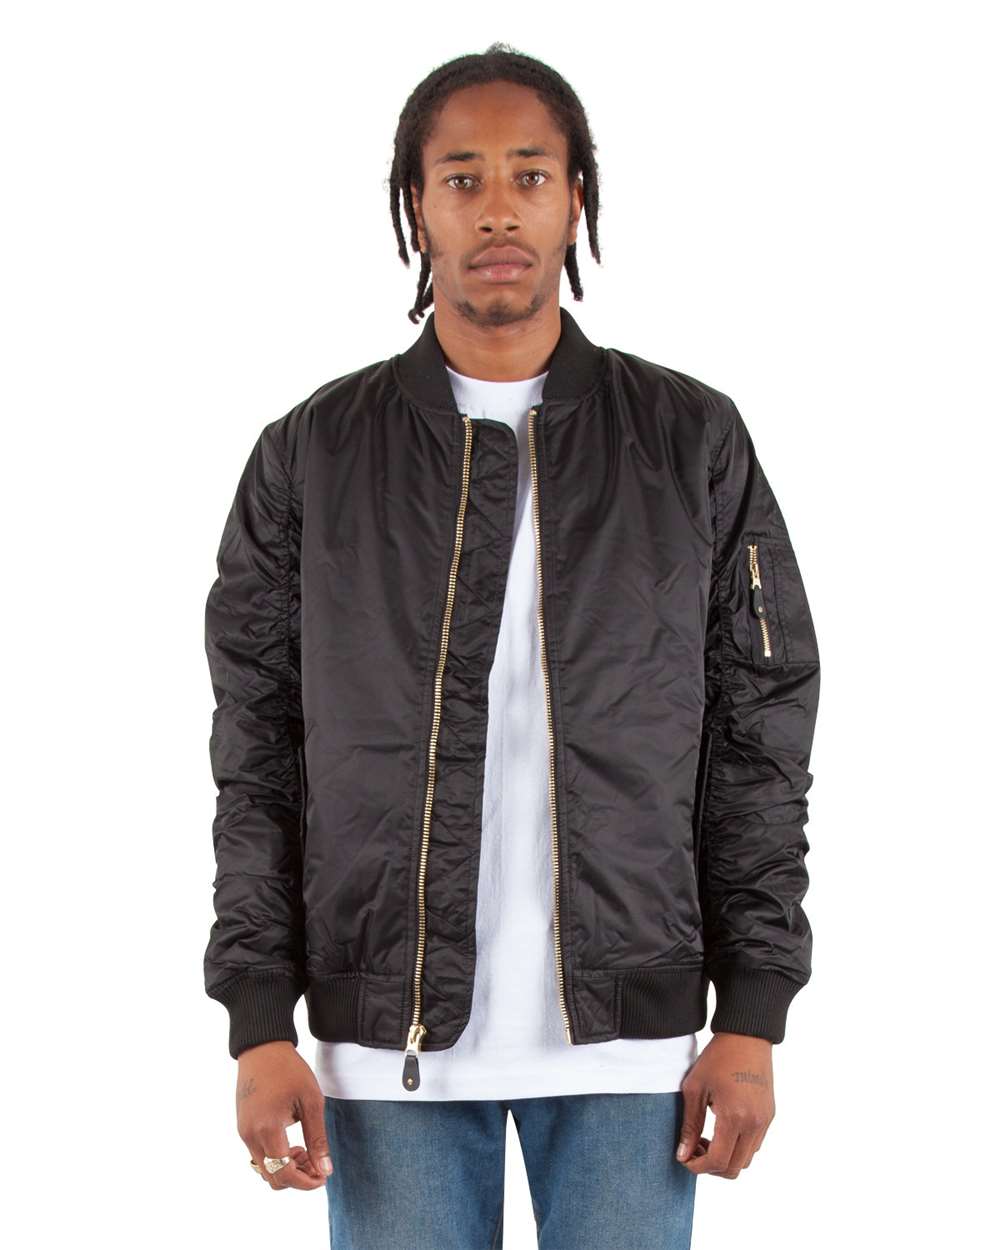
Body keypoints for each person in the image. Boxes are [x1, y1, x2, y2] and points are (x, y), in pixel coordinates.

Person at [202, 42, 822, 1250]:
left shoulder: (688, 439)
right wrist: (258, 1021)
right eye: (463, 177)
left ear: (575, 198)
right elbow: (257, 757)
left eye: (530, 175)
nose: (497, 209)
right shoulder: (314, 453)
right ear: (415, 204)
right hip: (386, 1049)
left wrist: (750, 1016)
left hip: (634, 1045)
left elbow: (760, 739)